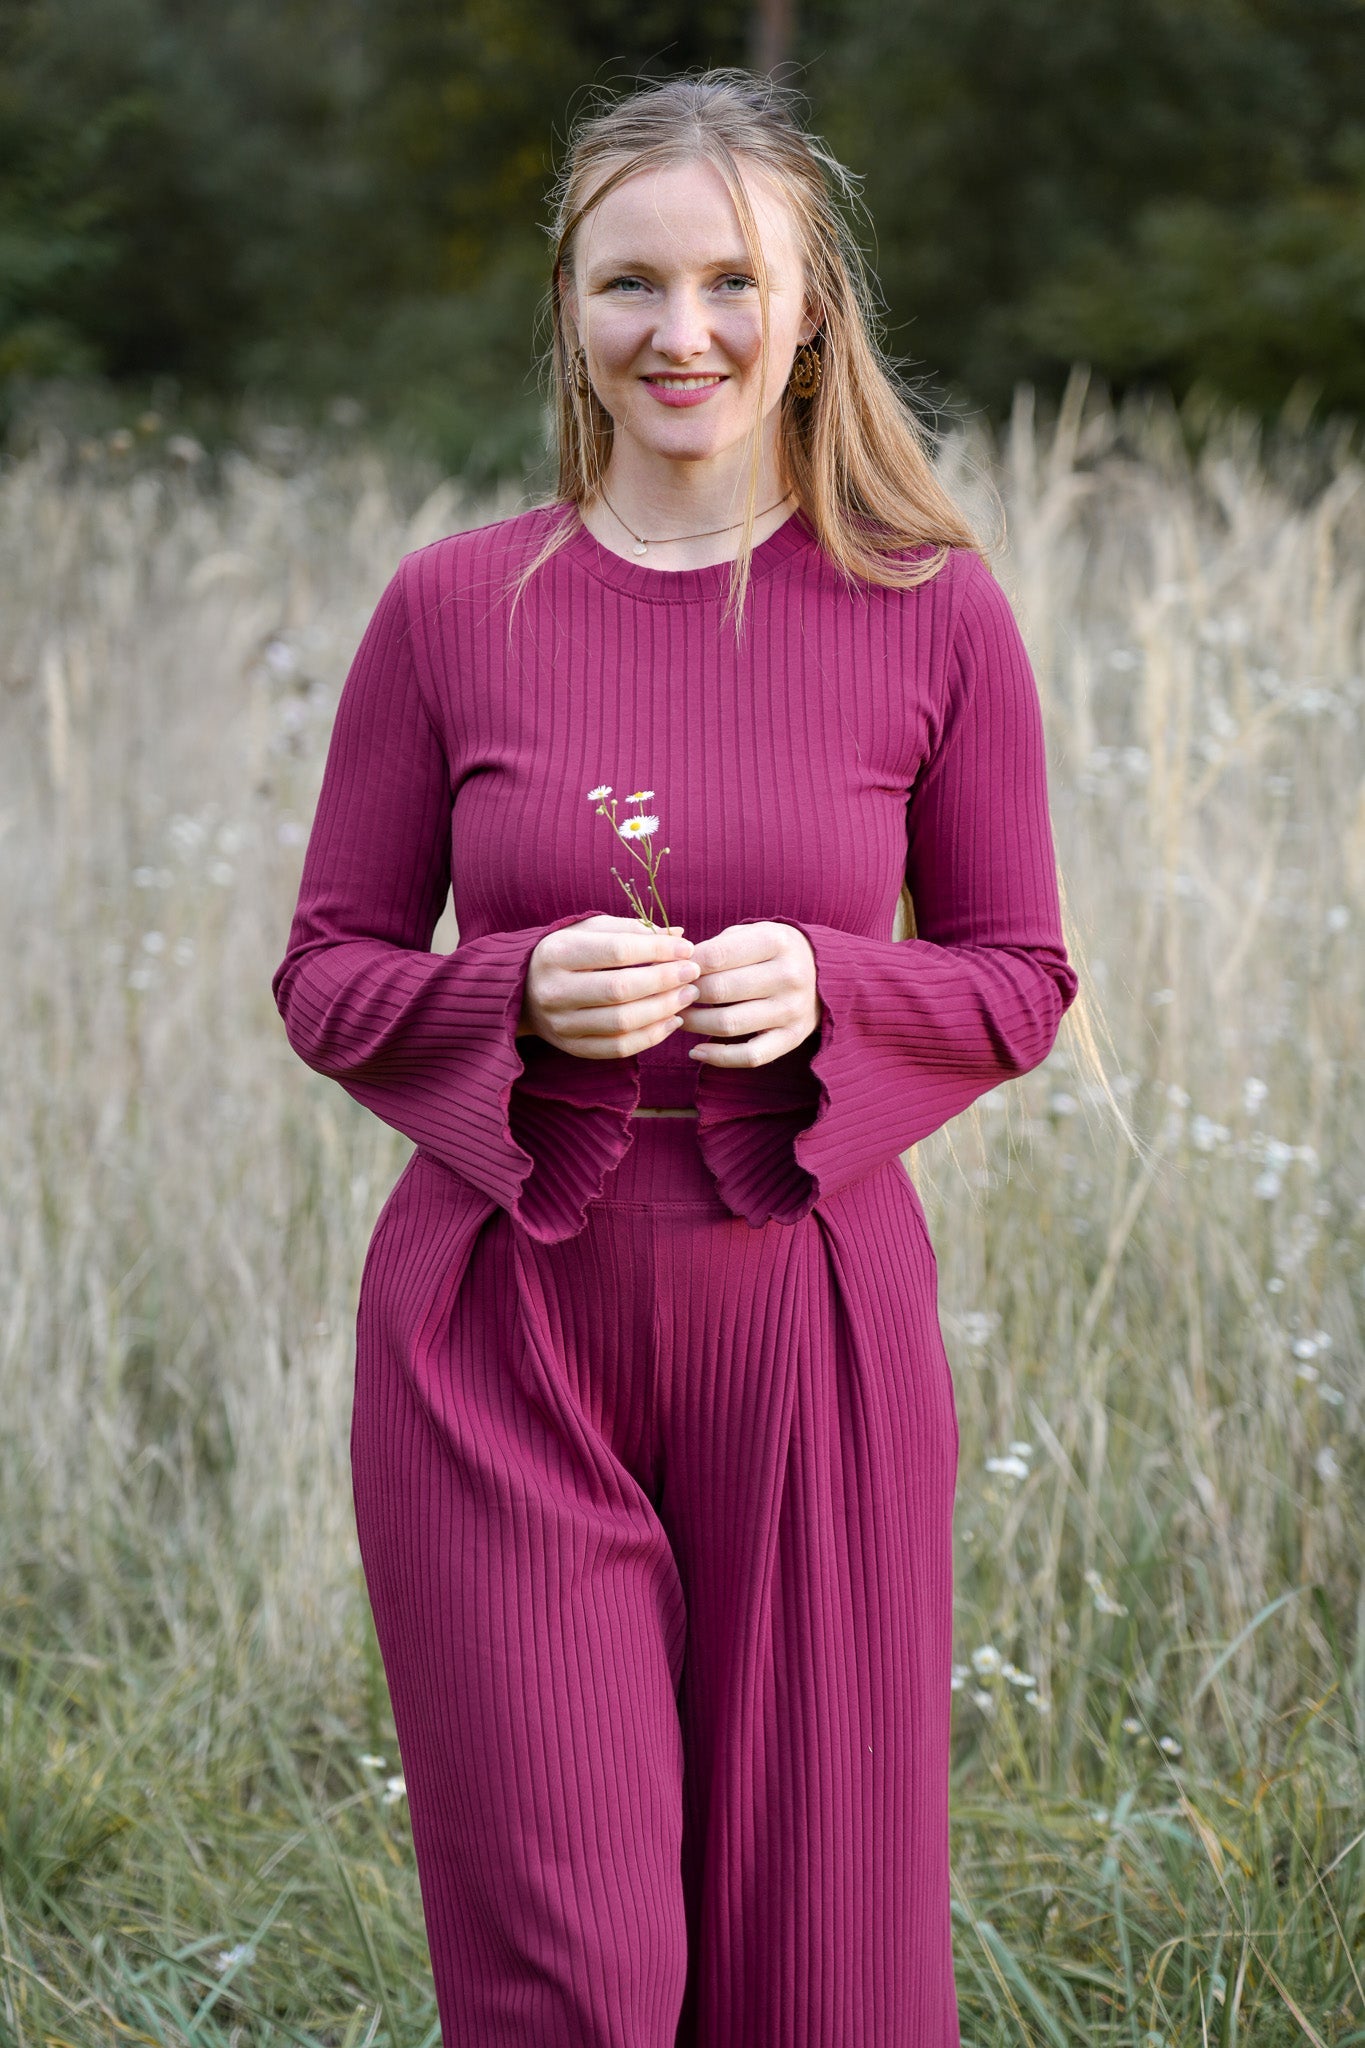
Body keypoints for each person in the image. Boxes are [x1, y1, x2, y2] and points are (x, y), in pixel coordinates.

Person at [273, 67, 1079, 2048]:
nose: (681, 331)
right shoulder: (451, 608)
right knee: (577, 1978)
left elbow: (1017, 977)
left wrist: (832, 986)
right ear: (567, 306)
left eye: (731, 280)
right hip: (496, 1340)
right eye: (630, 281)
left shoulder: (931, 610)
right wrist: (511, 995)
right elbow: (328, 972)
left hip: (811, 1334)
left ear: (807, 310)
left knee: (818, 1980)